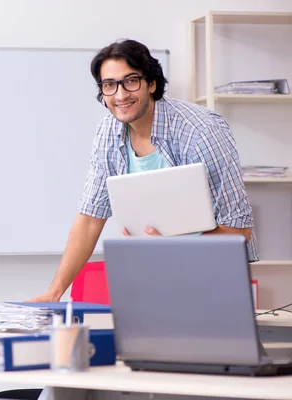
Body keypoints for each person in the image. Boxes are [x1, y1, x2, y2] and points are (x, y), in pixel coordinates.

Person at [30, 39, 258, 303]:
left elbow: (239, 231)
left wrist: (171, 246)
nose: (120, 95)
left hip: (212, 277)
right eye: (109, 85)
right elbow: (90, 219)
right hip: (151, 275)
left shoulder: (200, 132)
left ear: (151, 84)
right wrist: (55, 291)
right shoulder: (108, 132)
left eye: (131, 81)